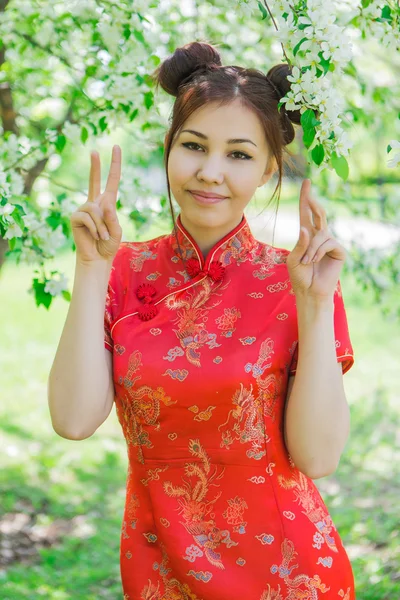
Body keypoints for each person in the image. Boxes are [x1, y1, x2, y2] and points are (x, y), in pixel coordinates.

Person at [48, 41, 356, 600]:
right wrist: (91, 269)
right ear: (169, 149)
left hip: (289, 575)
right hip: (158, 567)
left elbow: (318, 457)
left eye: (238, 154)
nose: (210, 173)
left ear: (268, 168)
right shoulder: (121, 269)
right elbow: (72, 420)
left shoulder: (299, 282)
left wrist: (313, 307)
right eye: (194, 146)